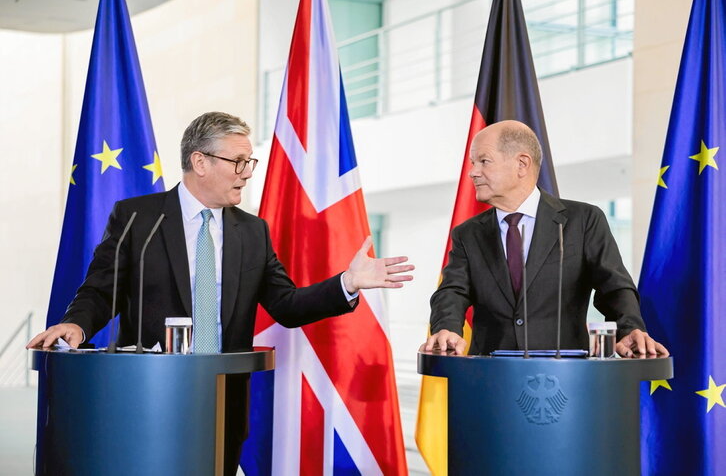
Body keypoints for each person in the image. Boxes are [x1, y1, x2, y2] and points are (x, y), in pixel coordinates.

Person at [27, 111, 414, 476]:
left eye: (250, 163)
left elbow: (288, 306)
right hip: (148, 392)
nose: (247, 174)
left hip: (222, 397)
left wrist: (347, 282)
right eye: (238, 161)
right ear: (200, 162)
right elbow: (101, 290)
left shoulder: (252, 232)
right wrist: (76, 324)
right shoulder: (138, 218)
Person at [422, 120, 668, 358]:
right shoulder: (468, 233)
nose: (473, 173)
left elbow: (614, 286)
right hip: (490, 377)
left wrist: (629, 328)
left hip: (564, 376)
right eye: (473, 163)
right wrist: (447, 327)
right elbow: (452, 291)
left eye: (483, 161)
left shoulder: (583, 220)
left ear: (522, 164)